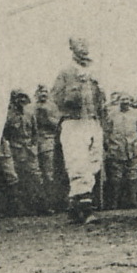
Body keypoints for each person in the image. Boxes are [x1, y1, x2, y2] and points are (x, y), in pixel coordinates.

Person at [51, 37, 106, 223]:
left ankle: (74, 209)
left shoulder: (94, 71)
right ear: (71, 48)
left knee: (93, 163)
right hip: (74, 123)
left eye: (86, 44)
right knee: (78, 164)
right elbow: (57, 98)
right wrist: (75, 89)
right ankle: (86, 209)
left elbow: (101, 99)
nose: (84, 48)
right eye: (79, 45)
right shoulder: (66, 72)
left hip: (92, 122)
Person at [1, 89, 44, 216]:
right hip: (15, 149)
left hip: (29, 150)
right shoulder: (7, 115)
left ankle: (39, 206)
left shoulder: (30, 114)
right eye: (19, 98)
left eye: (24, 98)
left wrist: (33, 146)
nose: (22, 101)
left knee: (35, 177)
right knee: (16, 178)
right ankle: (19, 209)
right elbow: (5, 134)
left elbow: (35, 132)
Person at [104, 93, 137, 209]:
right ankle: (114, 202)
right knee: (116, 176)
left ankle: (132, 201)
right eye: (122, 100)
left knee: (133, 174)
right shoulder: (111, 114)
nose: (125, 102)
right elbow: (107, 132)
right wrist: (108, 146)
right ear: (118, 101)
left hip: (134, 148)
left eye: (127, 99)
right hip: (116, 148)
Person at [31, 84, 63, 211]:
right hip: (33, 143)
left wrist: (46, 117)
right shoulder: (31, 107)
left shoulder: (53, 107)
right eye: (40, 92)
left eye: (45, 92)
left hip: (48, 141)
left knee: (49, 174)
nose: (43, 94)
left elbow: (58, 125)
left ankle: (51, 203)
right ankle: (37, 204)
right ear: (36, 94)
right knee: (35, 173)